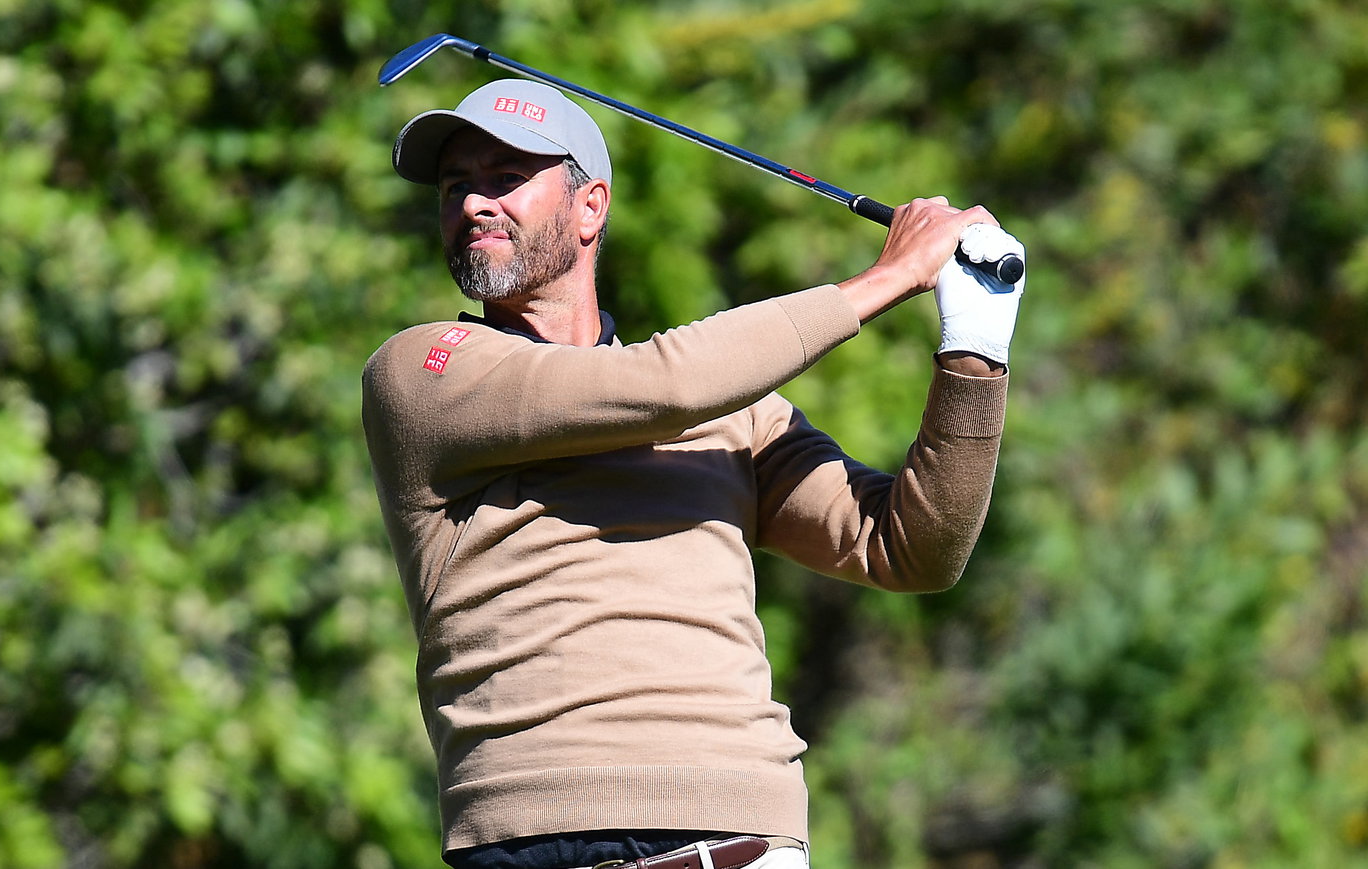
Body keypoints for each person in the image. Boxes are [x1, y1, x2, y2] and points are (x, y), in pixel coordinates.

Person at [361, 78, 1025, 869]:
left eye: (505, 179)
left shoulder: (735, 411)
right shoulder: (425, 373)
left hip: (740, 834)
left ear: (590, 208)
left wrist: (974, 347)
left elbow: (909, 549)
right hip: (529, 840)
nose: (472, 203)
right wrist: (889, 277)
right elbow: (661, 387)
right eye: (454, 185)